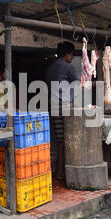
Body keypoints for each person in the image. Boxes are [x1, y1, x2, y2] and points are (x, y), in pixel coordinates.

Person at [45, 41, 80, 180]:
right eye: (71, 55)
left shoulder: (51, 68)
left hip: (52, 105)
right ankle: (61, 171)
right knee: (65, 140)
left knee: (59, 139)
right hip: (63, 106)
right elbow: (80, 82)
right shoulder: (67, 67)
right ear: (67, 55)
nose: (71, 58)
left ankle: (59, 170)